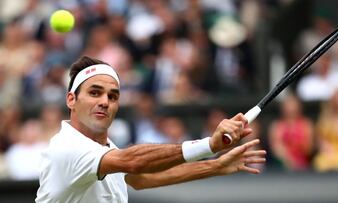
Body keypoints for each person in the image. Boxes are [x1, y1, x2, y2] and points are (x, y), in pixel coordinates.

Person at [35, 56, 266, 203]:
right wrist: (208, 146)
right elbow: (134, 161)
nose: (105, 101)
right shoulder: (67, 148)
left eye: (112, 96)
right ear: (71, 100)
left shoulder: (103, 150)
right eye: (95, 93)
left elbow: (141, 178)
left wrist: (214, 165)